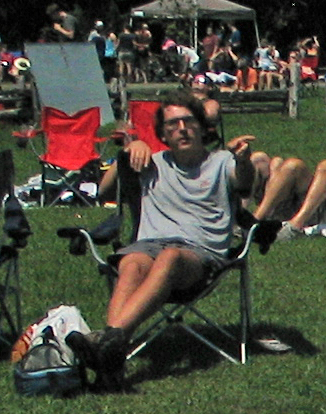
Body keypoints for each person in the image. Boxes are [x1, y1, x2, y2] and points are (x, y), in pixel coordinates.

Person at [82, 92, 256, 378]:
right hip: (148, 246)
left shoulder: (223, 161)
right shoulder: (152, 162)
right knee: (131, 262)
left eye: (188, 121)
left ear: (202, 127)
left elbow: (245, 185)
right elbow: (105, 192)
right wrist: (127, 152)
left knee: (170, 257)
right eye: (173, 124)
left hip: (200, 253)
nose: (182, 129)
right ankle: (111, 358)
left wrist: (245, 161)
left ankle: (107, 340)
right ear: (163, 133)